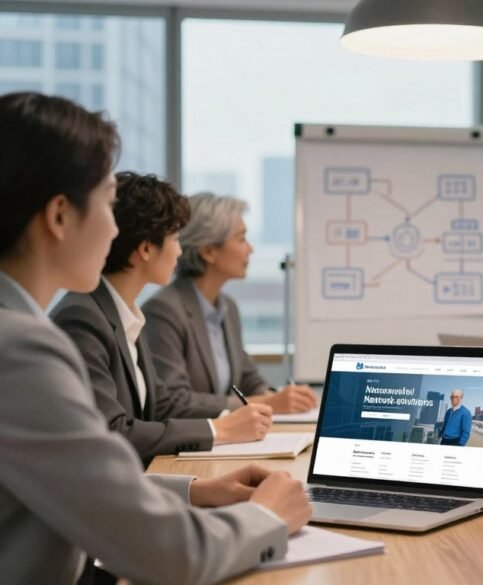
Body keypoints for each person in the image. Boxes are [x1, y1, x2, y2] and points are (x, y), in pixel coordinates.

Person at [0, 91, 311, 584]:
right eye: (108, 204)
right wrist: (266, 516)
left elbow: (83, 487)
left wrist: (194, 490)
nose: (115, 229)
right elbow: (172, 554)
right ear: (59, 216)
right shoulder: (20, 350)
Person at [51, 172, 273, 465]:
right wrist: (218, 430)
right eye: (176, 239)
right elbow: (112, 431)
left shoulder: (125, 313)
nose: (180, 251)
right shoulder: (83, 318)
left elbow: (163, 405)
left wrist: (199, 480)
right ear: (145, 249)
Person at [142, 193, 317, 413]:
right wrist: (265, 403)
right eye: (241, 239)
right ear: (208, 251)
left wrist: (279, 397)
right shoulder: (164, 311)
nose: (250, 249)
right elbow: (175, 402)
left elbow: (247, 378)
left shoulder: (227, 307)